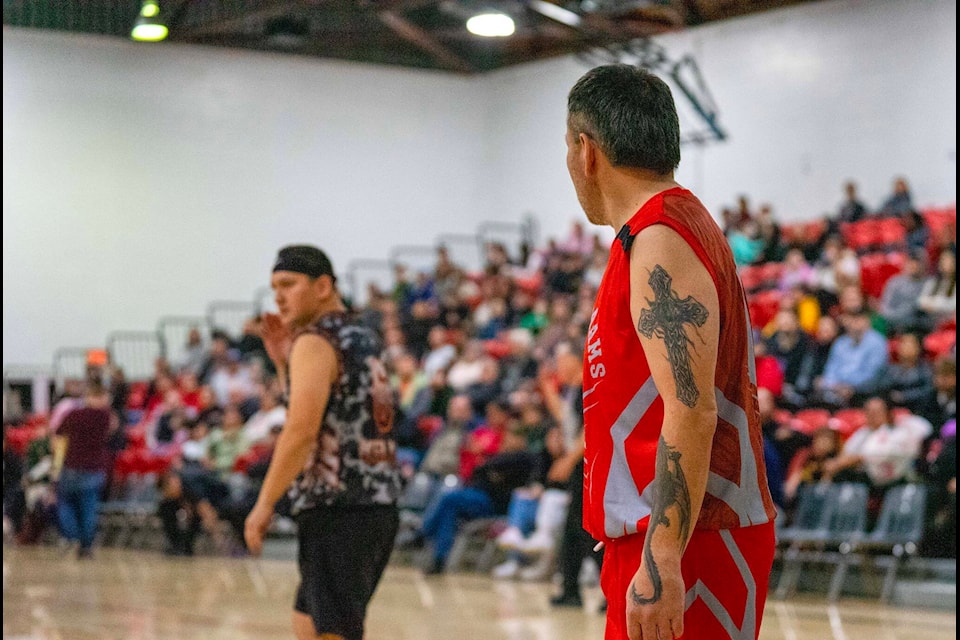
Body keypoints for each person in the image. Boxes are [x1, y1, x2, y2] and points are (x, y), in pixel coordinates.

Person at [564, 64, 776, 640]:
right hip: (671, 534)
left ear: (587, 151)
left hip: (689, 538)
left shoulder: (660, 237)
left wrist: (661, 557)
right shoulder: (657, 232)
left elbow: (692, 408)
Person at [244, 244, 403, 640]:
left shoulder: (314, 341)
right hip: (374, 507)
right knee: (308, 625)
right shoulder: (362, 337)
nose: (278, 296)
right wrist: (283, 364)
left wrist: (264, 505)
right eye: (273, 287)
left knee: (331, 632)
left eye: (288, 284)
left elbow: (301, 431)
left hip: (339, 509)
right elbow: (332, 412)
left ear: (323, 286)